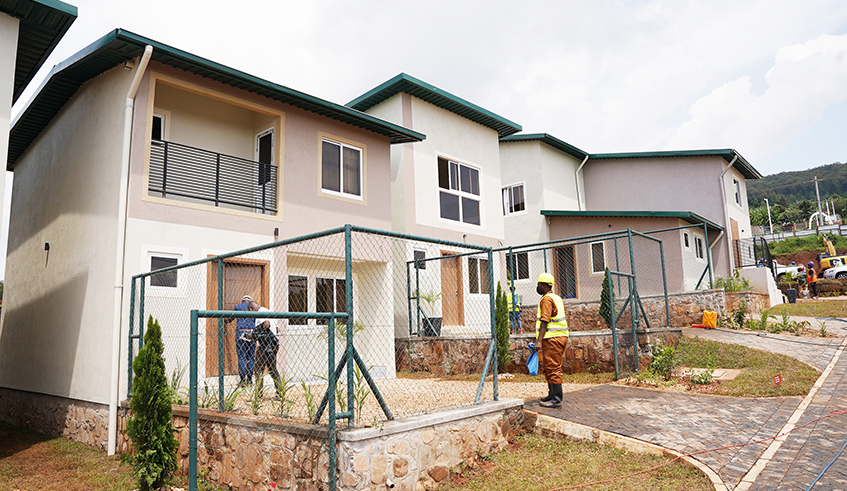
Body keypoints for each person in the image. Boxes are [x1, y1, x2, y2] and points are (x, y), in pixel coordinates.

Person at [534, 273, 569, 408]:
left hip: (552, 338)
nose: (537, 287)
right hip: (560, 336)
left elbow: (545, 320)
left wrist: (538, 341)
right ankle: (551, 394)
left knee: (553, 367)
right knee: (549, 366)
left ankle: (556, 399)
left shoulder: (547, 300)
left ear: (543, 285)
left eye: (538, 285)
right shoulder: (557, 297)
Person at [250, 300, 282, 396]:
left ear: (252, 308)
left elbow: (266, 324)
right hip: (274, 344)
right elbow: (275, 329)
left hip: (264, 345)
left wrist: (256, 334)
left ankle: (259, 394)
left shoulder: (260, 313)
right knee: (272, 368)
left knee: (258, 369)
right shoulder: (269, 311)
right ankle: (280, 392)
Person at [234, 295, 255, 387]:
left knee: (242, 357)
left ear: (242, 301)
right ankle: (250, 380)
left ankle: (242, 380)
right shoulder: (252, 308)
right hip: (251, 332)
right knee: (251, 357)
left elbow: (231, 317)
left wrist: (226, 321)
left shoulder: (237, 307)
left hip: (241, 332)